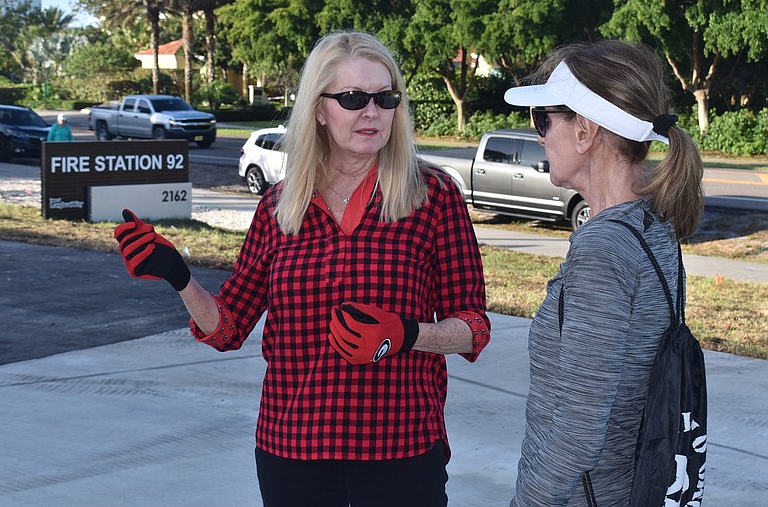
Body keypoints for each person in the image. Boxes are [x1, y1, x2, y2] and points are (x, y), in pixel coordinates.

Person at [113, 30, 490, 506]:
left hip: (401, 447)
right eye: (353, 98)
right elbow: (228, 327)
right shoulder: (279, 207)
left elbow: (474, 328)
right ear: (319, 110)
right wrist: (178, 275)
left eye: (385, 97)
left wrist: (407, 334)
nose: (371, 112)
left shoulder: (432, 196)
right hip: (293, 450)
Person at [503, 40, 704, 506]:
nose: (539, 136)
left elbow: (576, 432)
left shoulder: (604, 248)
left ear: (585, 131)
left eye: (543, 120)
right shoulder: (651, 226)